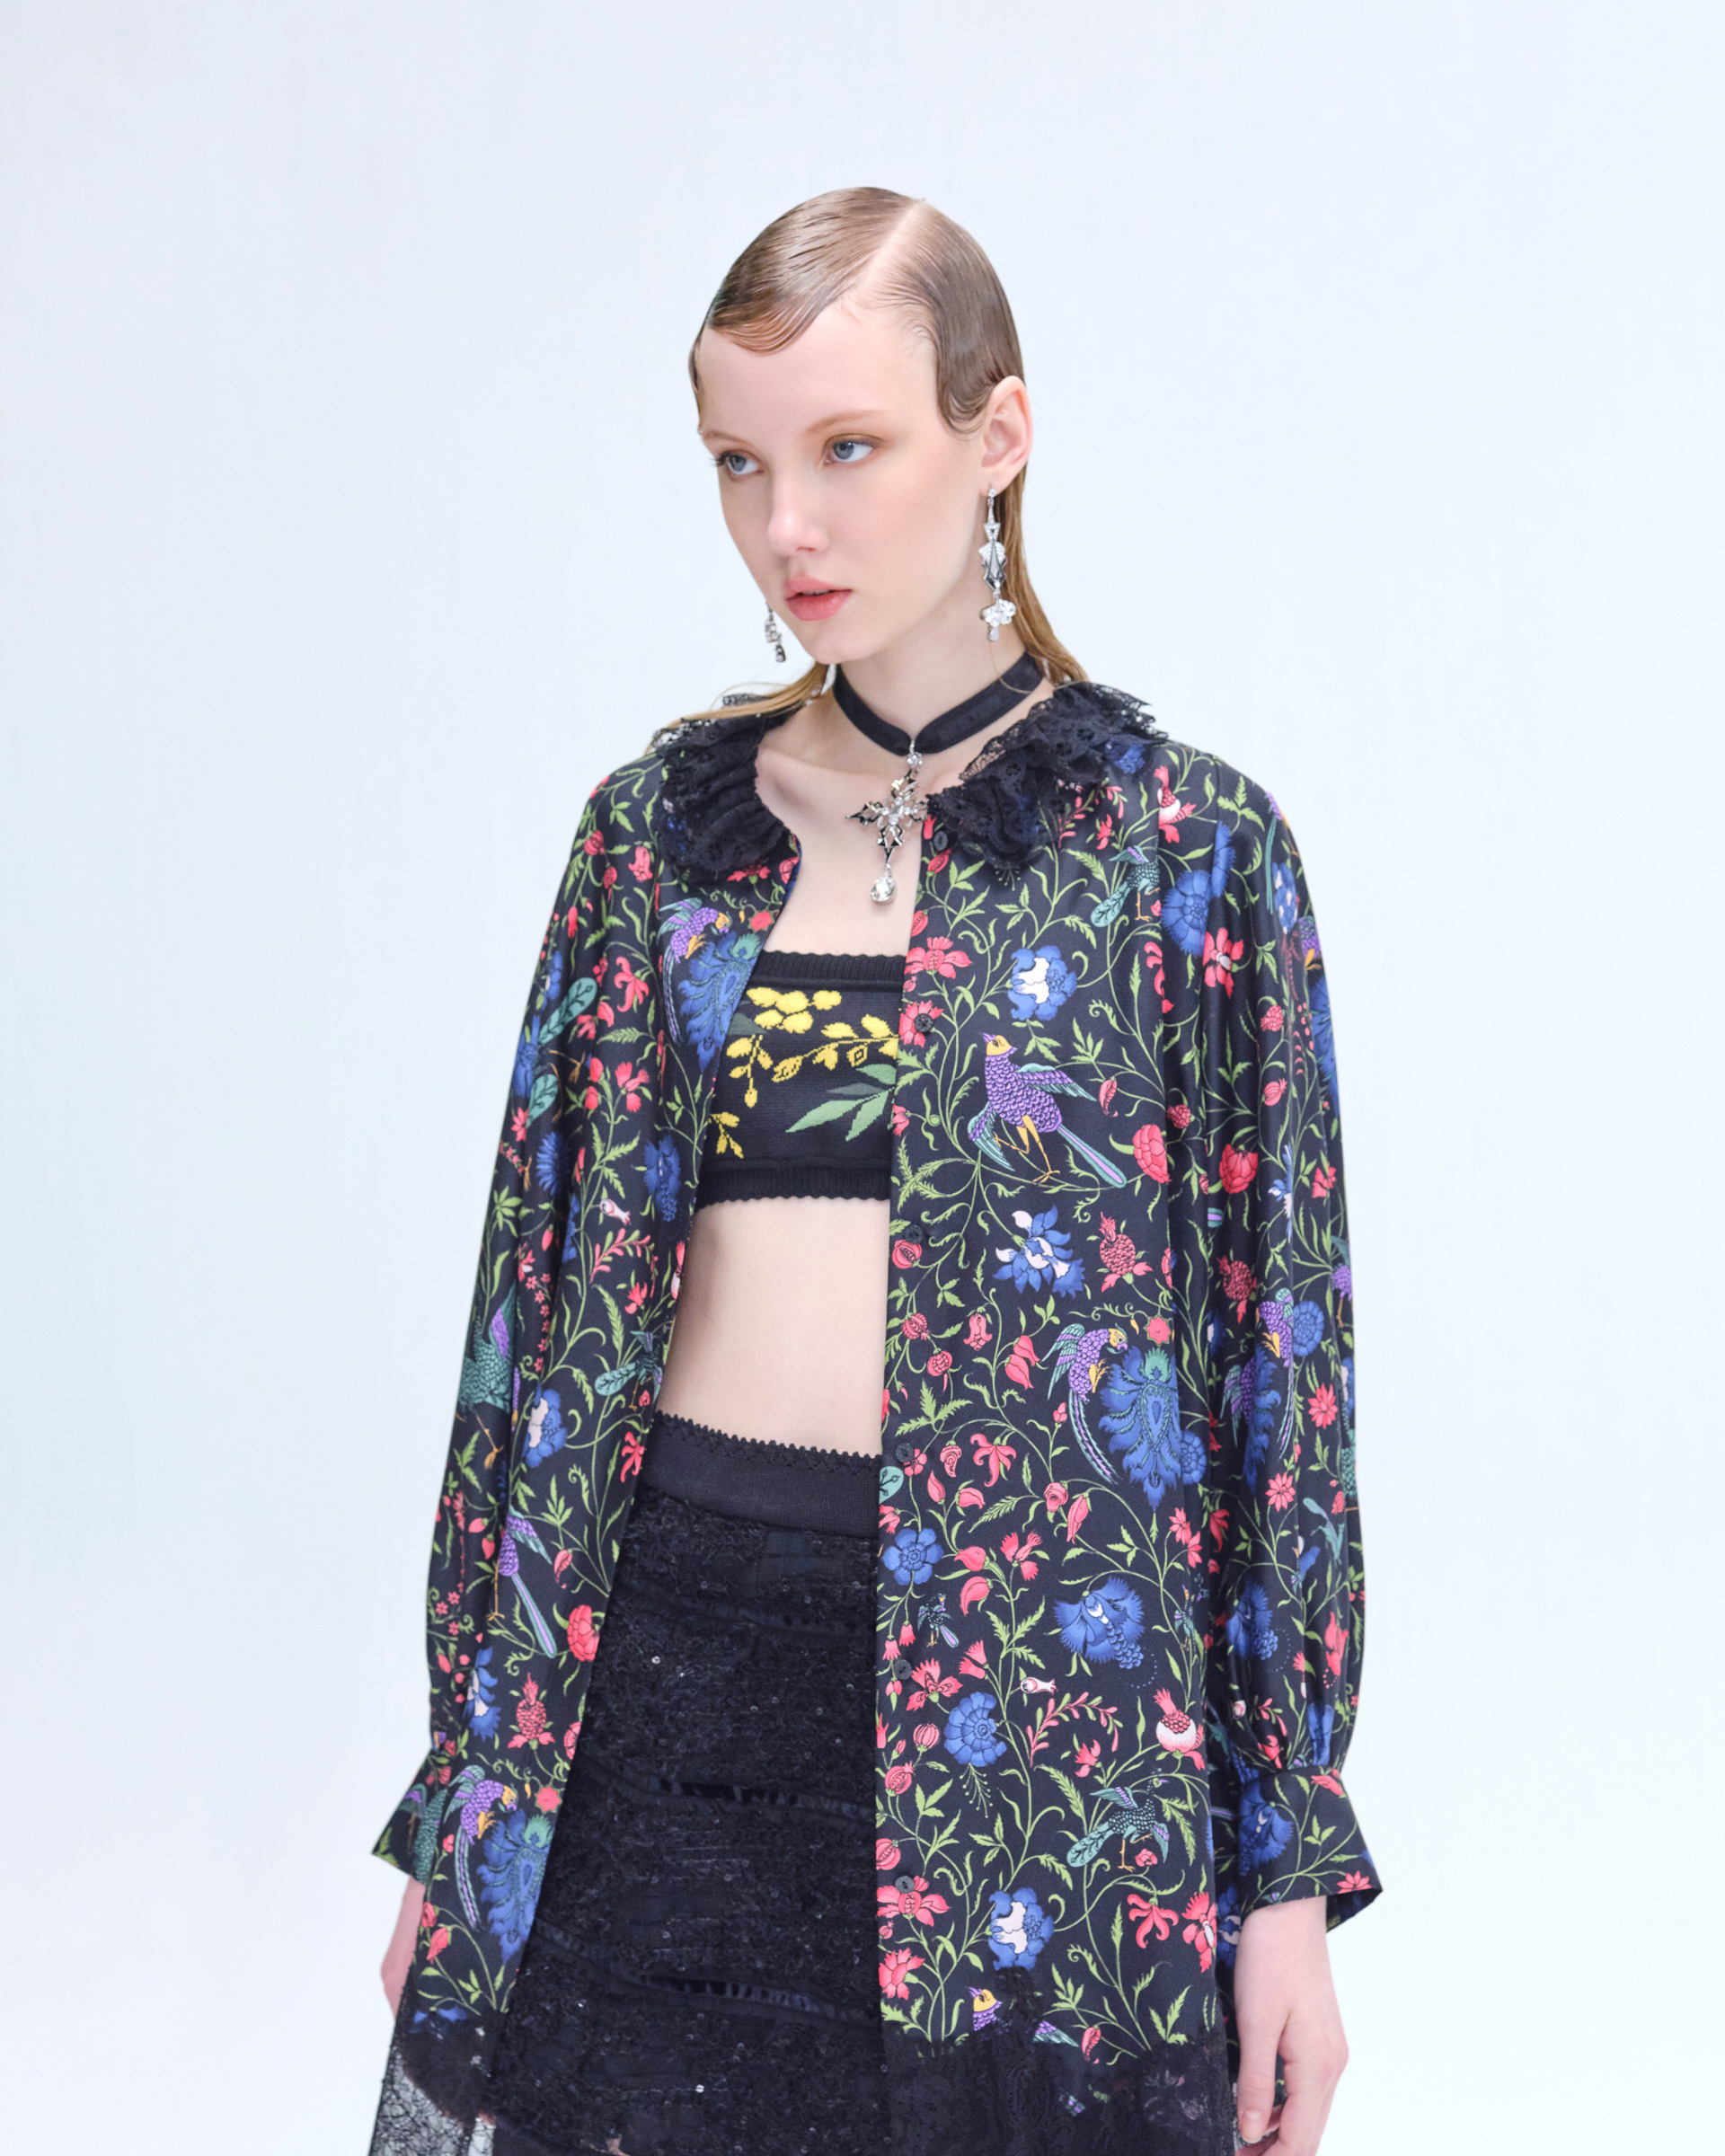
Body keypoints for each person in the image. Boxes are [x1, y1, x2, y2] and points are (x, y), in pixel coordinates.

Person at [367, 187, 1379, 2156]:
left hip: (1045, 1747)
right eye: (738, 464)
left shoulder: (1187, 856)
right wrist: (469, 1784)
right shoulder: (656, 842)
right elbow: (524, 1343)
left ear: (998, 437)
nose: (787, 528)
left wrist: (1285, 1877)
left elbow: (1285, 1394)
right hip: (661, 1695)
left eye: (848, 448)